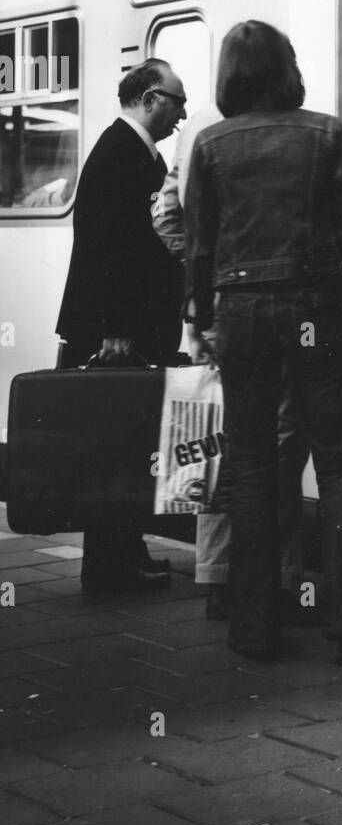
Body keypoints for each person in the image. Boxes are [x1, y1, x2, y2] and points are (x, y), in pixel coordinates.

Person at [183, 20, 342, 665]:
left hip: (243, 312)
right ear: (288, 67)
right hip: (319, 308)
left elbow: (200, 241)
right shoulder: (326, 132)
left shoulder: (211, 143)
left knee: (251, 463)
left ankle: (254, 626)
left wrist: (201, 318)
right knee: (341, 464)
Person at [152, 105, 309, 626]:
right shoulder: (298, 128)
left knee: (218, 445)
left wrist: (204, 278)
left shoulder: (199, 127)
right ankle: (279, 580)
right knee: (282, 447)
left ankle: (220, 577)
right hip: (280, 311)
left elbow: (165, 214)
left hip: (219, 313)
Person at [56, 58, 187, 593]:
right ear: (152, 98)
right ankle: (113, 563)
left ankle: (120, 555)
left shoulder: (128, 150)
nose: (181, 114)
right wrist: (114, 327)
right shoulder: (121, 153)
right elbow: (106, 248)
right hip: (117, 329)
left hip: (124, 324)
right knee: (119, 444)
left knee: (123, 442)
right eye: (177, 102)